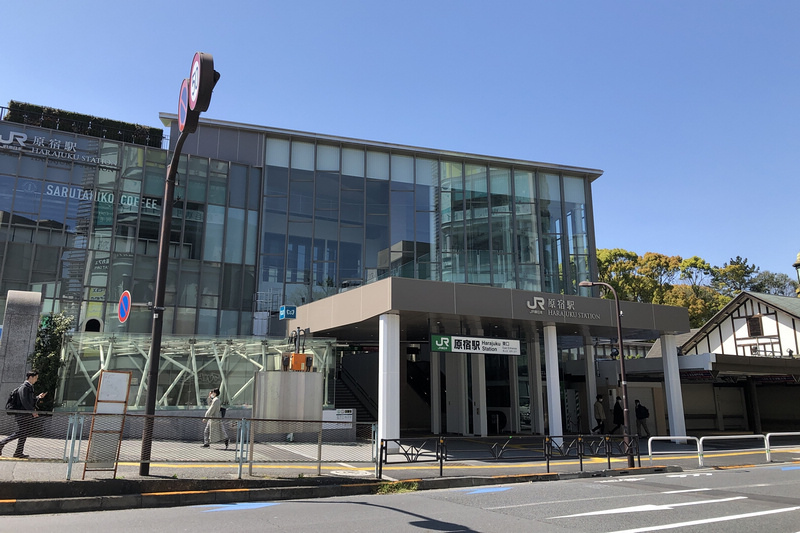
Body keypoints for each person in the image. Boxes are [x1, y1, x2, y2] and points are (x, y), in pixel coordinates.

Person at [0, 371, 46, 458]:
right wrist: (32, 411)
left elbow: (29, 401)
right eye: (36, 378)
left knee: (24, 433)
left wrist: (38, 398)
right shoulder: (24, 387)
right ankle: (3, 443)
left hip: (25, 414)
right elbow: (24, 401)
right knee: (22, 432)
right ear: (31, 377)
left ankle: (18, 452)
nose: (36, 380)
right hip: (22, 414)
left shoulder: (28, 387)